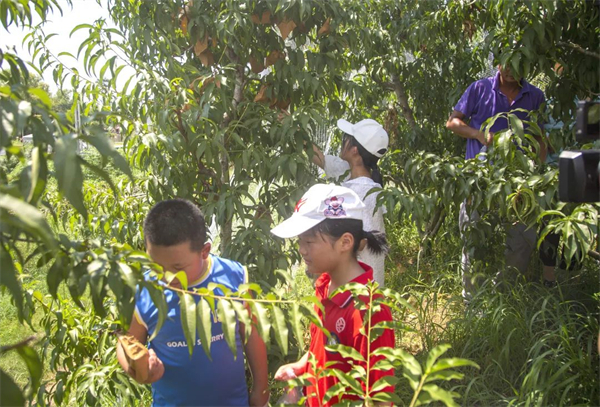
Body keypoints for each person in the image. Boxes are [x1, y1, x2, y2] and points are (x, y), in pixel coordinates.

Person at [116, 199, 269, 407]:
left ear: (204, 251)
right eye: (156, 266)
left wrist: (261, 390)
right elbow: (126, 341)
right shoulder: (143, 290)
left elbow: (251, 335)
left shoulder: (233, 278)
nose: (166, 277)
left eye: (177, 268)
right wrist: (137, 369)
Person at [270, 184, 395, 406]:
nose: (301, 249)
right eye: (300, 241)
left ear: (345, 242)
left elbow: (380, 398)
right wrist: (301, 366)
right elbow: (322, 347)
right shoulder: (324, 286)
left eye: (309, 241)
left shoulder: (368, 311)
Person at [446, 64, 548, 298]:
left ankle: (503, 296)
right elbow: (452, 122)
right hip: (479, 184)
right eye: (506, 63)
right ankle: (473, 301)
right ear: (499, 63)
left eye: (517, 63)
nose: (510, 70)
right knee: (474, 240)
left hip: (518, 186)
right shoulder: (480, 89)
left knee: (522, 239)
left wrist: (537, 174)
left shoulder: (535, 96)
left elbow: (540, 137)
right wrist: (478, 134)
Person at [311, 118, 389, 286]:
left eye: (346, 138)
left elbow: (361, 242)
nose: (343, 141)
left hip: (361, 288)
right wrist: (292, 126)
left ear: (354, 150)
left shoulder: (365, 192)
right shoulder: (350, 174)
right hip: (356, 283)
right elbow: (321, 159)